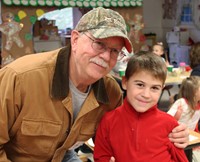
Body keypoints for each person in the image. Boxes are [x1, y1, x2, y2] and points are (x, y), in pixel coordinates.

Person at [0, 7, 188, 162]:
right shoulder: (20, 78)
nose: (106, 56)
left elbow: (122, 134)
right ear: (74, 39)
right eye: (99, 44)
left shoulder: (111, 93)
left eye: (115, 51)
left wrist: (175, 135)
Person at [94, 53, 188, 162]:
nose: (146, 94)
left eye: (154, 88)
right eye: (140, 85)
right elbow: (101, 157)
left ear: (162, 89)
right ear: (125, 82)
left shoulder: (170, 125)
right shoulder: (108, 121)